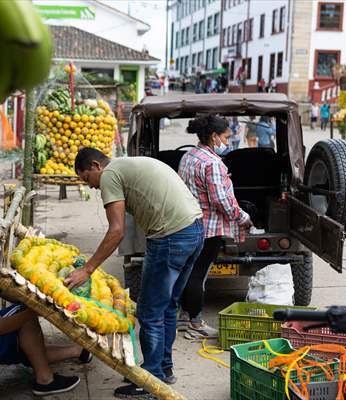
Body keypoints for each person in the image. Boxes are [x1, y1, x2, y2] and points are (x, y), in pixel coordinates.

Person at [66, 148, 204, 398]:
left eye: (87, 179)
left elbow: (116, 231)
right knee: (168, 306)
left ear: (96, 166)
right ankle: (163, 369)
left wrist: (87, 269)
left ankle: (150, 381)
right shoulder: (127, 165)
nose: (92, 188)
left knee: (150, 312)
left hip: (171, 237)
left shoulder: (109, 175)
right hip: (194, 229)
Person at [0, 241, 91, 396]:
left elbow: (1, 291)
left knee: (27, 333)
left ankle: (78, 352)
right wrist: (36, 311)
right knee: (26, 327)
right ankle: (45, 380)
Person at [177, 116, 252, 339]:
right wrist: (243, 218)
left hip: (187, 223)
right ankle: (196, 324)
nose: (228, 142)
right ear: (214, 136)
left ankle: (183, 317)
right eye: (226, 137)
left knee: (188, 271)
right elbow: (222, 200)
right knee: (198, 275)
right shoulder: (212, 163)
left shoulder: (189, 156)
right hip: (208, 229)